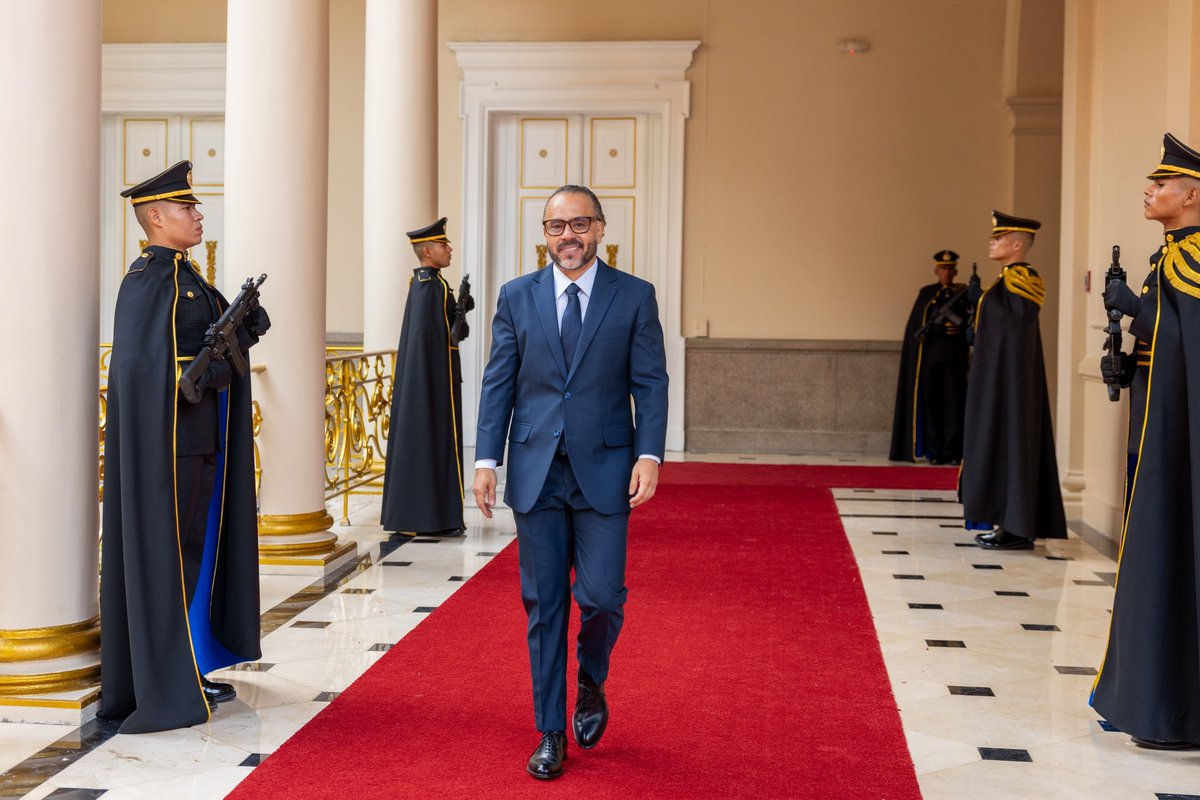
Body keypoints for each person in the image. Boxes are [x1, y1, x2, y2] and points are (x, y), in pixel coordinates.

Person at [472, 185, 669, 780]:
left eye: (580, 224)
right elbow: (498, 381)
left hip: (606, 470)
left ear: (601, 229)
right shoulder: (516, 296)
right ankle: (550, 731)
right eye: (557, 227)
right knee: (545, 604)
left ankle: (591, 677)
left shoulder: (633, 296)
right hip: (536, 471)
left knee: (604, 597)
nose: (568, 237)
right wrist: (486, 458)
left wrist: (650, 454)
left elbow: (651, 383)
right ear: (545, 233)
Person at [100, 160, 270, 734]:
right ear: (155, 216)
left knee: (191, 564)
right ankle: (167, 682)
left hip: (197, 447)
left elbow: (205, 348)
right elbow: (145, 369)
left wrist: (242, 329)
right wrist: (211, 371)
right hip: (170, 454)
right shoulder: (150, 280)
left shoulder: (186, 276)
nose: (198, 215)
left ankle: (186, 667)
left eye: (195, 207)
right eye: (186, 208)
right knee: (171, 564)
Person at [1092, 132, 1200, 750]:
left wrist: (1135, 306)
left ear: (1189, 196)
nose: (1150, 191)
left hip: (1177, 434)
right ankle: (1151, 695)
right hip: (1157, 420)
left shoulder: (1190, 258)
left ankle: (1172, 706)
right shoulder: (1171, 257)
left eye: (1160, 185)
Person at [958, 211, 1066, 550]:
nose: (992, 242)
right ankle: (1007, 520)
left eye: (999, 238)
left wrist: (981, 305)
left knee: (1012, 445)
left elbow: (1015, 326)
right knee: (999, 444)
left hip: (1012, 385)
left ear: (1018, 244)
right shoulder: (1005, 280)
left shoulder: (1023, 277)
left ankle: (1016, 526)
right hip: (1000, 380)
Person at [380, 217, 474, 537]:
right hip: (431, 384)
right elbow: (434, 341)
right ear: (428, 251)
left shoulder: (432, 284)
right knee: (431, 443)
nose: (449, 249)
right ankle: (431, 517)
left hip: (436, 380)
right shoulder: (430, 285)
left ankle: (439, 515)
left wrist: (459, 310)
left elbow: (444, 334)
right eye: (443, 245)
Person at [889, 249, 971, 464]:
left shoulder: (963, 292)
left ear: (956, 270)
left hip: (955, 357)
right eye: (943, 268)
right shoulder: (927, 294)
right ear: (936, 270)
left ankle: (953, 451)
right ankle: (935, 451)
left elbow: (970, 322)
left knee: (954, 405)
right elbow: (918, 325)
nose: (947, 272)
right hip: (931, 357)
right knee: (932, 404)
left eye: (950, 268)